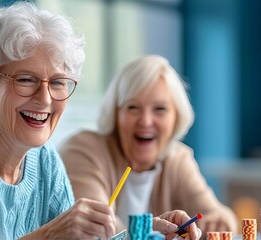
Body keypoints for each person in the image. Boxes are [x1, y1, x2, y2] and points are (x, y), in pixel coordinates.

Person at [0, 2, 200, 239]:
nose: (45, 99)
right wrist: (50, 235)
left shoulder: (45, 161)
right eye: (25, 79)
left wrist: (146, 235)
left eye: (58, 82)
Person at [59, 55, 238, 234]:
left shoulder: (177, 158)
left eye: (159, 109)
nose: (145, 121)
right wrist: (148, 233)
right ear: (115, 114)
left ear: (176, 117)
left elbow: (217, 213)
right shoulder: (83, 150)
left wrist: (219, 220)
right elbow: (97, 227)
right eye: (133, 107)